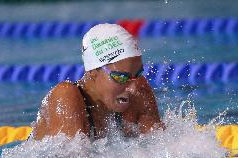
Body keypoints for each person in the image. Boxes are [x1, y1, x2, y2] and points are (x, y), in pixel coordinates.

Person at [33, 23, 164, 140]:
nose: (133, 88)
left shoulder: (138, 88)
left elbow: (161, 148)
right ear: (93, 71)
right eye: (121, 77)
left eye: (138, 75)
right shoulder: (65, 96)